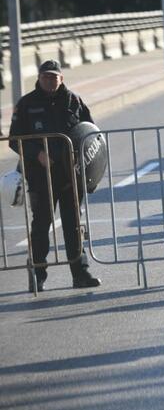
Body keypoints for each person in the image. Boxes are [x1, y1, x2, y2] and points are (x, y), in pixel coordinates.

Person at [9, 60, 101, 291]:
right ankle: (37, 274)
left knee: (73, 226)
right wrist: (36, 153)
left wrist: (87, 168)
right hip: (40, 177)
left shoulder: (74, 101)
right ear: (39, 78)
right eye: (45, 77)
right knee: (41, 226)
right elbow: (13, 139)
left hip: (70, 176)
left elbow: (91, 135)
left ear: (61, 78)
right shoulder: (27, 104)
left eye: (54, 77)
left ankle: (80, 273)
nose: (50, 81)